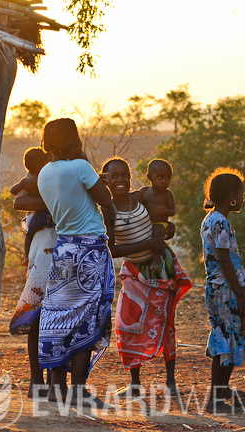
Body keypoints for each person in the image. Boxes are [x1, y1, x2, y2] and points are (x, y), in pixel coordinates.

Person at [36, 118, 115, 406]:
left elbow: (74, 193)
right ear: (75, 139)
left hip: (64, 250)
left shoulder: (45, 172)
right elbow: (105, 201)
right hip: (89, 253)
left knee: (61, 318)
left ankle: (57, 388)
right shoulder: (81, 167)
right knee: (86, 318)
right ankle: (80, 392)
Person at [101, 157, 191, 397]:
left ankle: (171, 382)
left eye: (124, 175)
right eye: (114, 175)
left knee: (166, 323)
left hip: (159, 268)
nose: (120, 180)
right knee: (128, 322)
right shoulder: (107, 209)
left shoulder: (139, 197)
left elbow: (160, 225)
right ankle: (135, 383)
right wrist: (146, 243)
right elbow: (110, 248)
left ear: (131, 178)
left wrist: (166, 231)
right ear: (106, 179)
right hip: (133, 271)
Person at [200, 167, 245, 414]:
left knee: (226, 337)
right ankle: (215, 397)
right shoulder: (220, 222)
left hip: (217, 287)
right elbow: (223, 259)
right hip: (225, 289)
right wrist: (241, 294)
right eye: (241, 194)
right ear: (232, 196)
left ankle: (221, 391)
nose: (243, 199)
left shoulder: (211, 219)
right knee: (226, 339)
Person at [9, 149, 56, 398]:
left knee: (52, 317)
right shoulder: (38, 178)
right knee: (40, 313)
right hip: (45, 248)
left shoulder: (50, 176)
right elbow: (18, 201)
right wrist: (56, 201)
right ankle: (38, 380)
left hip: (52, 246)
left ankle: (44, 381)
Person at [10, 147, 53, 266]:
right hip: (44, 215)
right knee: (30, 232)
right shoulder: (40, 178)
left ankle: (26, 256)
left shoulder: (30, 178)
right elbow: (17, 201)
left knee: (29, 234)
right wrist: (25, 183)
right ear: (40, 165)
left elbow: (13, 190)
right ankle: (27, 256)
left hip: (38, 216)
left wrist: (22, 183)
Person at [136, 159, 175, 270]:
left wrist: (167, 210)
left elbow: (173, 211)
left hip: (161, 224)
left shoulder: (168, 194)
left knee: (158, 229)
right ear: (149, 177)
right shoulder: (143, 192)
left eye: (168, 178)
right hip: (147, 224)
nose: (164, 181)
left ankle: (155, 260)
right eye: (160, 177)